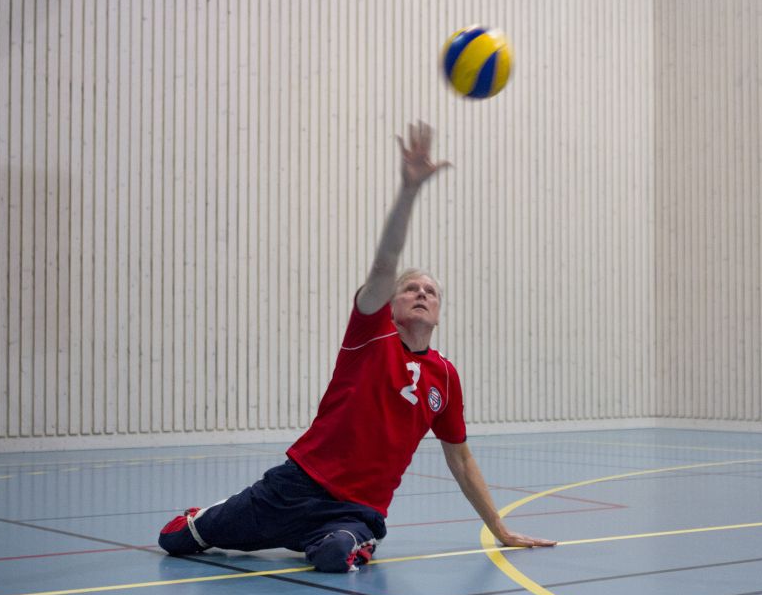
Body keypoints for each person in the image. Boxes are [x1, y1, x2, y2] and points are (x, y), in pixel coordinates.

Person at [159, 121, 556, 572]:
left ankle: (332, 539)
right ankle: (211, 518)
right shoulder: (371, 333)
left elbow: (461, 459)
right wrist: (408, 192)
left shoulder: (444, 377)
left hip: (357, 510)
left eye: (431, 291)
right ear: (390, 302)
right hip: (296, 485)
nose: (422, 293)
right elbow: (385, 261)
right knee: (174, 539)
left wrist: (499, 529)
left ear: (440, 311)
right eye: (411, 289)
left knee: (333, 554)